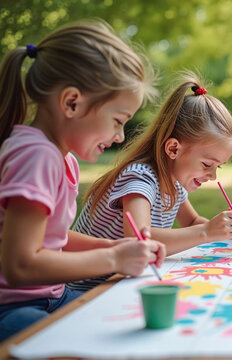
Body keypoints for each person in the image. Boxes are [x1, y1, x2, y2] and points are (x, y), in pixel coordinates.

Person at [0, 21, 166, 342]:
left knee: (119, 322)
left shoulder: (63, 157)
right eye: (118, 121)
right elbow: (20, 264)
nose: (119, 137)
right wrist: (114, 259)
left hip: (49, 297)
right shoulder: (36, 155)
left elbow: (53, 236)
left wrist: (112, 245)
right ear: (72, 102)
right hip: (14, 307)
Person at [68, 72, 232, 292]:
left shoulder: (174, 183)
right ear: (173, 149)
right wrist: (207, 232)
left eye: (218, 166)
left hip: (124, 282)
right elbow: (139, 238)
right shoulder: (140, 177)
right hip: (89, 291)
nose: (213, 176)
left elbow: (191, 222)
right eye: (207, 164)